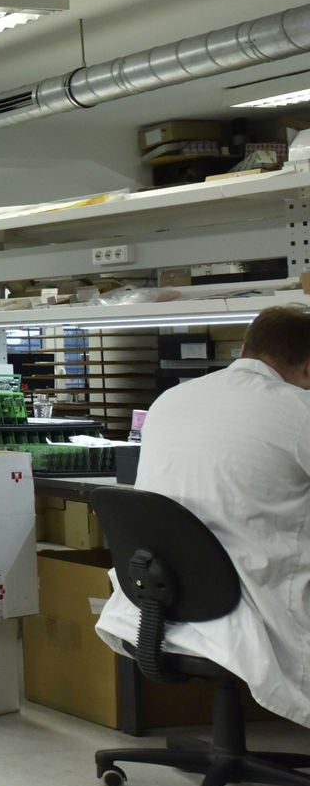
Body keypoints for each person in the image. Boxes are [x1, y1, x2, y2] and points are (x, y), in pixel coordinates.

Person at [95, 304, 310, 727]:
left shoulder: (171, 399)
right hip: (248, 608)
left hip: (162, 600)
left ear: (245, 349)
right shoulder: (298, 410)